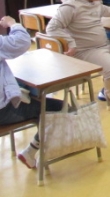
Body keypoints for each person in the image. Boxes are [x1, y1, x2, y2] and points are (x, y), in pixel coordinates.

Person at [0, 15, 64, 169]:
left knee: (29, 94)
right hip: (3, 112)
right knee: (61, 108)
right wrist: (12, 23)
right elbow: (22, 41)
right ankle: (31, 151)